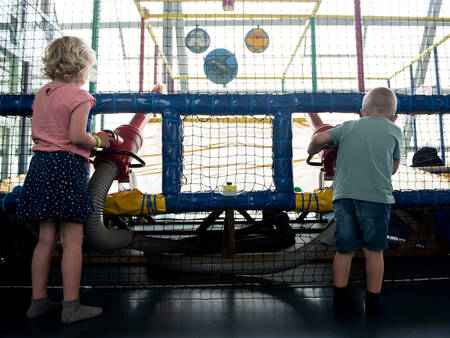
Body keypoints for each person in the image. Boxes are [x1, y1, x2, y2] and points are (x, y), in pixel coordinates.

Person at [16, 36, 114, 324]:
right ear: (81, 68)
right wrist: (99, 140)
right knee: (72, 240)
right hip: (66, 166)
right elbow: (75, 137)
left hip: (41, 166)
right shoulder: (81, 97)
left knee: (45, 239)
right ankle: (71, 306)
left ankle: (38, 301)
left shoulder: (42, 94)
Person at [307, 87, 402, 318]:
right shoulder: (395, 130)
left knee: (344, 250)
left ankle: (339, 301)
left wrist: (310, 152)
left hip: (344, 197)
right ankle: (373, 304)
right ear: (394, 116)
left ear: (362, 111)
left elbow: (319, 139)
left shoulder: (348, 126)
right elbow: (394, 167)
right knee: (374, 251)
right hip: (376, 198)